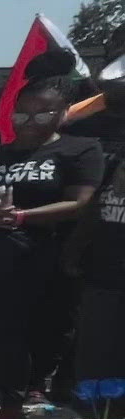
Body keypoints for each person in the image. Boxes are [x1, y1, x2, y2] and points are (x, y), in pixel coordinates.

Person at [0, 76, 104, 419]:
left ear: (63, 114)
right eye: (22, 115)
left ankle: (11, 408)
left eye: (42, 115)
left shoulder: (80, 150)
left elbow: (80, 202)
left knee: (9, 333)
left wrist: (21, 216)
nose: (30, 123)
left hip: (27, 260)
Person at [68, 146, 125, 384]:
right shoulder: (112, 162)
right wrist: (73, 250)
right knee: (94, 345)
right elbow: (91, 211)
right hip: (103, 271)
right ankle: (89, 409)